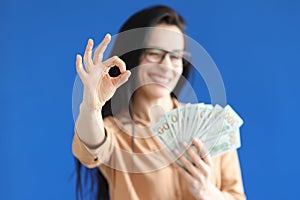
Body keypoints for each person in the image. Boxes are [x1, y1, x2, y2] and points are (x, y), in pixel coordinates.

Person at [72, 5, 246, 200]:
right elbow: (90, 144)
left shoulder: (213, 126)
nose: (166, 66)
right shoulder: (117, 133)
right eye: (154, 53)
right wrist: (91, 106)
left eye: (175, 56)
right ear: (133, 57)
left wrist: (206, 192)